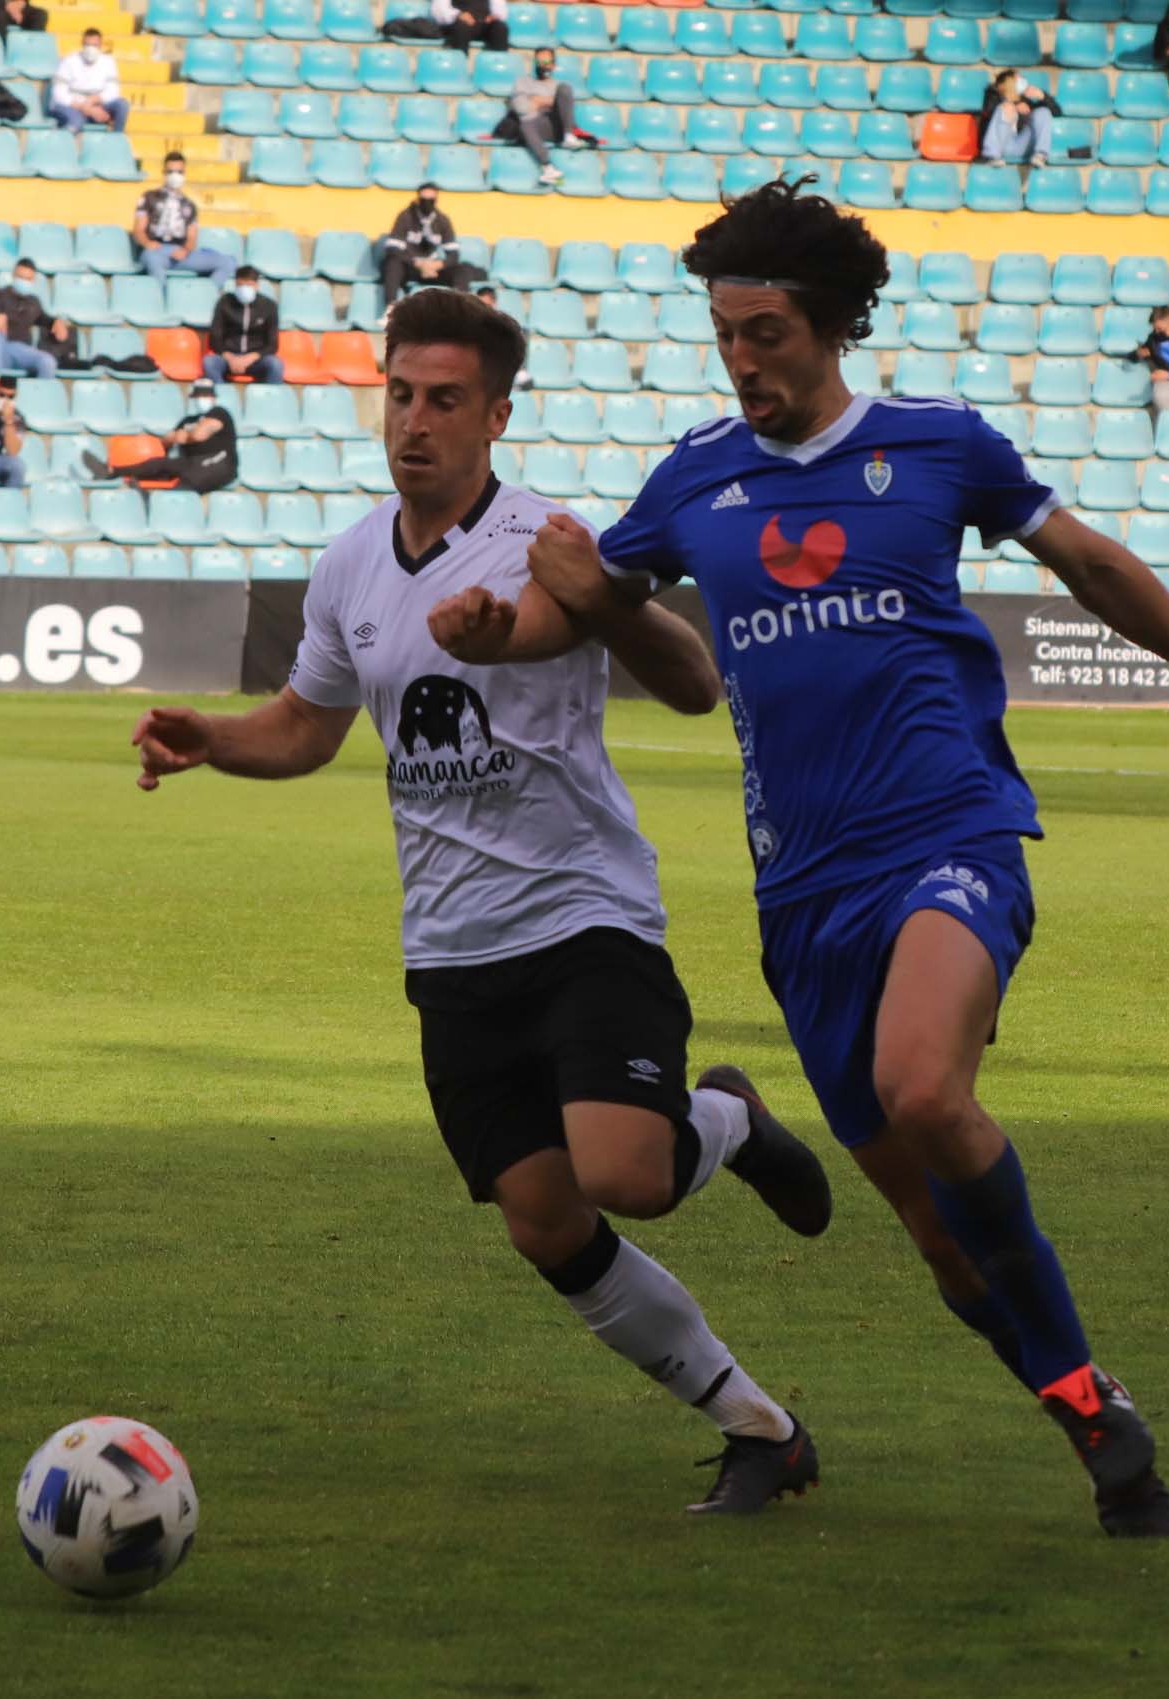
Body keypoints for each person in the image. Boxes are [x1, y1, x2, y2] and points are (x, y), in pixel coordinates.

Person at [449, 178, 1169, 1539]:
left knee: (922, 1086)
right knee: (939, 1238)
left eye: (764, 333)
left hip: (946, 834)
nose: (741, 360)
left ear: (828, 328)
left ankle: (1091, 1407)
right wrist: (496, 631)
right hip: (800, 892)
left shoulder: (939, 445)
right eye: (724, 334)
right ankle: (1088, 1415)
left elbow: (1089, 564)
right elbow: (576, 610)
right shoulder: (693, 476)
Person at [130, 287, 834, 1516]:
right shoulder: (350, 564)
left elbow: (691, 680)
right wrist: (214, 741)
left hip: (582, 915)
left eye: (444, 400)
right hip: (451, 949)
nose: (414, 421)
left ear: (495, 415)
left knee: (626, 1171)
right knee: (544, 1223)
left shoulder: (547, 543)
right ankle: (756, 1427)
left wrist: (593, 600)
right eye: (400, 394)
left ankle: (726, 1116)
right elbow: (304, 727)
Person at [83, 378, 240, 492]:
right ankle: (112, 471)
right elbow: (166, 441)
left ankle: (161, 503)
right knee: (157, 464)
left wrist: (184, 436)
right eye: (199, 396)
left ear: (213, 398)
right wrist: (178, 436)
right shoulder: (187, 421)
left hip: (219, 460)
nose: (202, 400)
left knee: (191, 479)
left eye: (206, 396)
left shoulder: (219, 413)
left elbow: (199, 435)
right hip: (191, 462)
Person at [134, 154, 236, 286]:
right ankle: (162, 297)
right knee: (152, 261)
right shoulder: (149, 197)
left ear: (184, 173)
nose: (175, 176)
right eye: (170, 172)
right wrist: (148, 243)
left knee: (227, 262)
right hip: (156, 251)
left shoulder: (189, 205)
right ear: (164, 173)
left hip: (181, 253)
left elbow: (192, 238)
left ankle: (206, 294)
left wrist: (185, 250)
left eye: (179, 172)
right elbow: (139, 230)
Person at [380, 184, 473, 301]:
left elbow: (453, 254)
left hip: (433, 269)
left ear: (436, 199)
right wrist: (418, 264)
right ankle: (391, 307)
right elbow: (393, 249)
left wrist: (437, 265)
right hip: (411, 267)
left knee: (461, 270)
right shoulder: (405, 216)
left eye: (431, 200)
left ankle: (462, 308)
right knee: (392, 264)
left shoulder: (442, 220)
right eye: (424, 200)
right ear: (418, 198)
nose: (427, 204)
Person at [504, 48, 581, 185]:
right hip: (534, 125)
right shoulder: (522, 82)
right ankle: (548, 167)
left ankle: (568, 136)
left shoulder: (559, 86)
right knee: (525, 124)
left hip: (556, 126)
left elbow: (566, 108)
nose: (543, 65)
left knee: (565, 88)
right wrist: (550, 101)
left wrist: (536, 100)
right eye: (539, 61)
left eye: (546, 61)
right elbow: (521, 108)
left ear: (553, 65)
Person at [203, 265, 284, 386]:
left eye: (249, 285)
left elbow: (272, 344)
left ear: (257, 285)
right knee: (209, 362)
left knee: (275, 364)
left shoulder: (269, 306)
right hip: (228, 357)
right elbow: (215, 338)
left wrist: (249, 358)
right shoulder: (224, 302)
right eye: (240, 285)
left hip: (256, 359)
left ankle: (270, 396)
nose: (244, 289)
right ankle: (222, 393)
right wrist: (230, 358)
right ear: (235, 284)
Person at [0, 260, 57, 378]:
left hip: (22, 351)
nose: (23, 282)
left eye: (28, 279)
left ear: (33, 280)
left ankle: (40, 390)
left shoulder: (33, 302)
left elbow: (44, 319)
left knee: (47, 362)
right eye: (20, 277)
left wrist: (56, 322)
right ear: (13, 275)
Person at [49, 29, 129, 133]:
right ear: (82, 44)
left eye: (95, 45)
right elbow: (59, 94)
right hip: (71, 105)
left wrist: (92, 101)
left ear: (100, 45)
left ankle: (116, 138)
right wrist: (87, 109)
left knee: (122, 105)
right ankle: (61, 141)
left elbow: (113, 91)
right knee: (76, 122)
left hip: (97, 104)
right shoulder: (68, 61)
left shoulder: (108, 62)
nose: (91, 49)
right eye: (87, 45)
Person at [977, 70, 1053, 166]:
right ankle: (991, 156)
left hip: (1022, 146)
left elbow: (1056, 112)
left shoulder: (1025, 100)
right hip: (1002, 146)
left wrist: (1043, 96)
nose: (1024, 80)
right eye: (1019, 78)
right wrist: (1014, 106)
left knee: (1043, 111)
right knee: (1006, 107)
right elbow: (990, 111)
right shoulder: (993, 95)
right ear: (1009, 81)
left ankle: (1040, 155)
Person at [432, 0, 509, 54]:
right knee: (461, 28)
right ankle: (460, 65)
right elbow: (439, 10)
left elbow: (500, 9)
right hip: (457, 23)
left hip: (483, 23)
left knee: (500, 28)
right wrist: (458, 15)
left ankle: (497, 66)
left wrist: (495, 16)